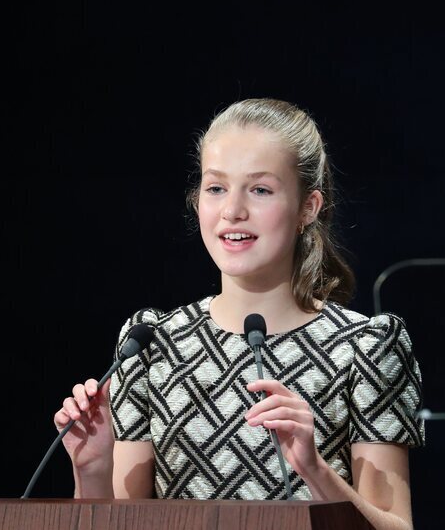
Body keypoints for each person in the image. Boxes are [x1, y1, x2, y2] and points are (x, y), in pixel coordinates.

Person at [53, 98, 425, 530]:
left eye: (260, 190)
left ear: (309, 208)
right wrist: (92, 469)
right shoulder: (151, 342)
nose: (233, 210)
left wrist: (315, 470)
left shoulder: (367, 347)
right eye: (216, 188)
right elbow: (122, 523)